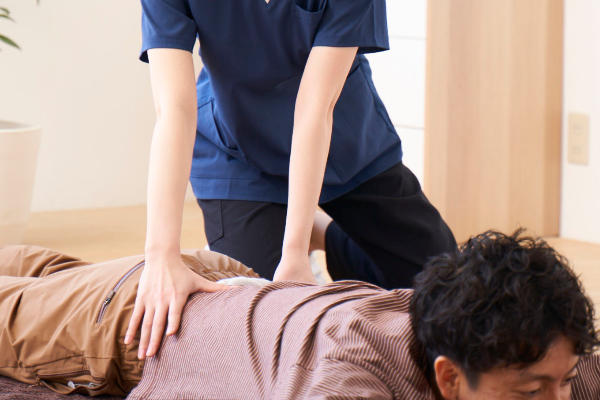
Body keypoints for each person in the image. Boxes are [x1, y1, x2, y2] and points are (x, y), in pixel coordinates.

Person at [132, 0, 458, 362]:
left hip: (343, 142)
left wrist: (295, 251)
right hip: (238, 152)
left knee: (447, 294)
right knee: (263, 320)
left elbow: (316, 106)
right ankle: (298, 225)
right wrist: (161, 256)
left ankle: (319, 234)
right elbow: (175, 108)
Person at [1, 230, 598, 399]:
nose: (557, 398)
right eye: (529, 394)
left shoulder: (527, 349)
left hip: (230, 284)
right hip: (139, 321)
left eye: (563, 383)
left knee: (40, 273)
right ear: (447, 377)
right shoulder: (347, 378)